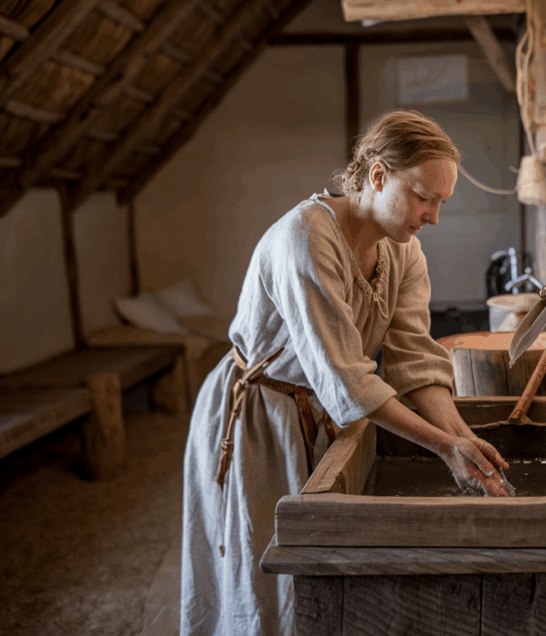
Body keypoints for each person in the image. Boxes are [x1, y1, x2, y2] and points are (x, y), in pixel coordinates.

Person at [180, 109, 511, 635]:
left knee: (319, 574)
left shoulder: (404, 254)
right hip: (262, 419)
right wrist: (445, 449)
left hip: (321, 409)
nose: (433, 216)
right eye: (424, 197)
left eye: (442, 203)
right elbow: (347, 378)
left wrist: (464, 436)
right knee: (267, 573)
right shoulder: (306, 239)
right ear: (378, 176)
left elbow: (416, 364)